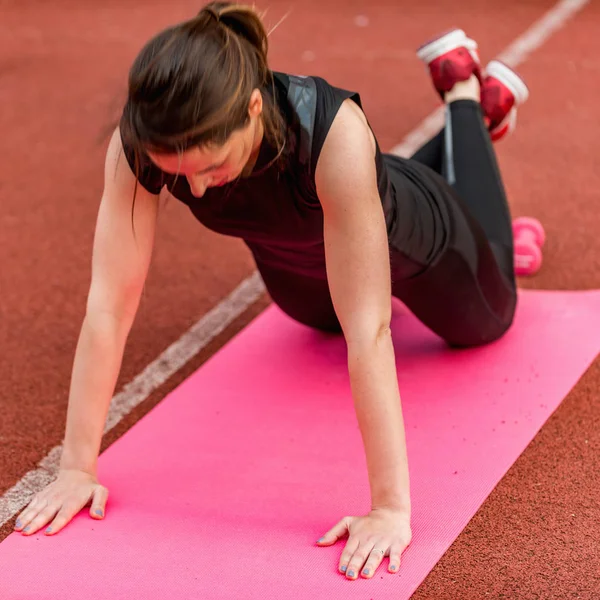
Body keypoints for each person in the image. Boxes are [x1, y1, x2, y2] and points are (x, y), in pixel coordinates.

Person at [14, 2, 530, 582]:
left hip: (417, 240)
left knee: (489, 320)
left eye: (212, 167)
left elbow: (371, 328)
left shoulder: (331, 133)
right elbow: (109, 304)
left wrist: (389, 509)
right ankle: (441, 137)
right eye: (180, 175)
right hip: (297, 268)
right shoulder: (144, 141)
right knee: (318, 321)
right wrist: (77, 467)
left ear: (254, 110)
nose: (199, 193)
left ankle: (463, 96)